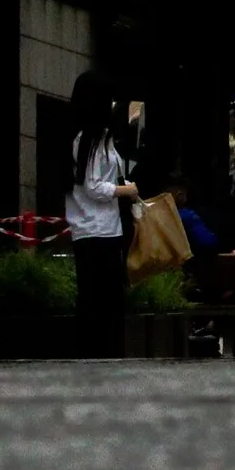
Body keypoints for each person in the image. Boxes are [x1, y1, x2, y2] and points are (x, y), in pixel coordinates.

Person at [63, 72, 139, 357]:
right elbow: (93, 186)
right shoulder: (91, 140)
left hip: (99, 227)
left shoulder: (92, 139)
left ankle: (96, 352)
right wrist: (126, 190)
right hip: (98, 228)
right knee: (103, 297)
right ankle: (100, 352)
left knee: (98, 296)